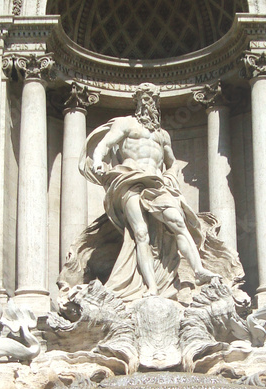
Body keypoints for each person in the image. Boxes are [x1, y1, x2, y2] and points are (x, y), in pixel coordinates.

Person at [81, 83, 217, 299]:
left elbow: (172, 163)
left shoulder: (162, 135)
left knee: (178, 222)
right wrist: (98, 161)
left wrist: (171, 176)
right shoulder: (126, 124)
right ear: (137, 103)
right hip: (129, 180)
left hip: (156, 183)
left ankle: (198, 270)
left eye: (152, 99)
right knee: (141, 233)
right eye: (144, 99)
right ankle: (151, 287)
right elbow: (105, 145)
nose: (148, 103)